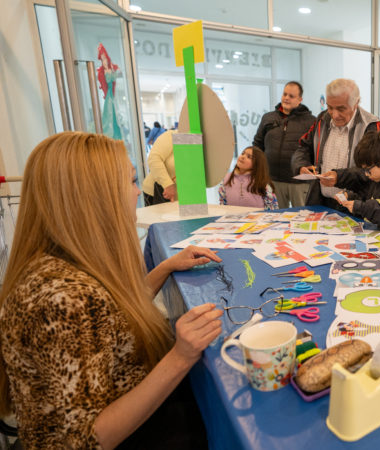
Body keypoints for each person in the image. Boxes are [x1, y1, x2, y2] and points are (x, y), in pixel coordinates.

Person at [0, 132, 224, 448]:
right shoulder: (65, 299)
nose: (137, 192)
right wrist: (180, 357)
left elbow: (108, 322)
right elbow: (86, 440)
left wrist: (164, 268)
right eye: (132, 181)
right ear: (95, 197)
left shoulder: (61, 261)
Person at [291, 78, 380, 209]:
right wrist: (301, 165)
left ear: (356, 103)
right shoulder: (322, 119)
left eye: (341, 109)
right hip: (320, 201)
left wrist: (340, 177)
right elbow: (304, 147)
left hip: (355, 205)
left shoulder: (371, 126)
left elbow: (378, 169)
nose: (334, 115)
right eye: (330, 107)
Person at [252, 81, 316, 208]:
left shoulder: (311, 121)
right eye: (284, 94)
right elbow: (257, 145)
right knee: (276, 220)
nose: (286, 98)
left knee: (302, 218)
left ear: (299, 99)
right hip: (273, 180)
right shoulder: (268, 118)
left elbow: (315, 150)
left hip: (299, 182)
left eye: (291, 96)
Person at [142, 129, 176, 205]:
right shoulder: (172, 135)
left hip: (182, 197)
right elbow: (154, 159)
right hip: (158, 192)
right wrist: (167, 184)